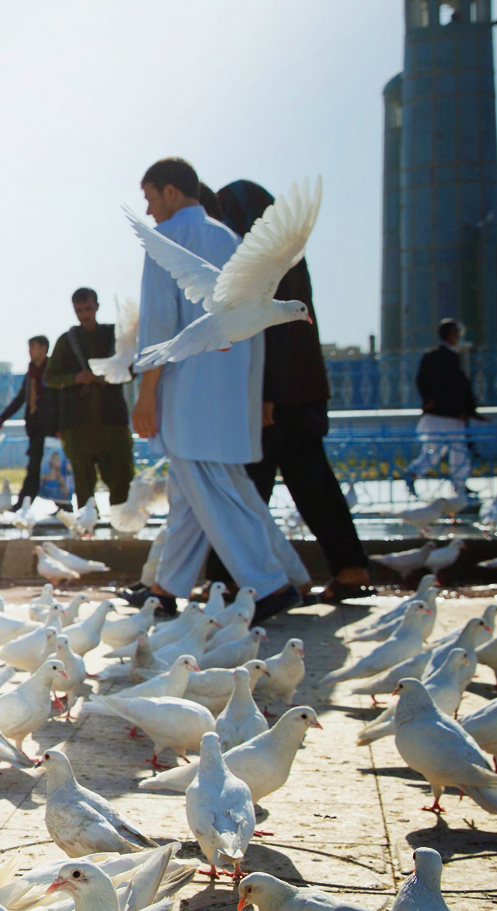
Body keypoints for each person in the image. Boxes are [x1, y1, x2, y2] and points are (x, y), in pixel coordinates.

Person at [130, 158, 297, 621]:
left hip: (188, 390)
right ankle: (166, 588)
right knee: (191, 493)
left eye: (150, 198)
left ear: (170, 191)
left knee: (213, 493)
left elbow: (159, 323)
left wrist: (146, 394)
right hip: (227, 391)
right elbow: (255, 328)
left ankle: (270, 585)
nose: (149, 211)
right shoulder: (230, 240)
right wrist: (248, 396)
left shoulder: (167, 239)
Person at [217, 179, 371, 601]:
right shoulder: (289, 257)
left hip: (278, 399)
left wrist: (266, 395)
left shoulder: (270, 264)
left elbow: (276, 332)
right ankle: (350, 570)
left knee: (246, 489)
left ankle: (233, 581)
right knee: (313, 486)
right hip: (302, 391)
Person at [45, 288, 133, 508]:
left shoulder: (114, 336)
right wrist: (76, 378)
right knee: (84, 490)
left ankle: (122, 525)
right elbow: (50, 378)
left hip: (112, 423)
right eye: (79, 310)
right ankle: (88, 526)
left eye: (88, 309)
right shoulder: (67, 341)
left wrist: (110, 375)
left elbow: (133, 369)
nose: (84, 315)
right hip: (78, 426)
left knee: (121, 483)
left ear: (97, 307)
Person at [404, 318, 479, 498]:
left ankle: (414, 473)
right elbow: (456, 386)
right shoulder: (451, 357)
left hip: (434, 413)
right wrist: (463, 410)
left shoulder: (430, 355)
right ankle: (459, 485)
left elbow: (420, 379)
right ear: (452, 335)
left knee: (434, 449)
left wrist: (428, 400)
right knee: (458, 449)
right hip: (450, 414)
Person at [0, 335, 60, 505]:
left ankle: (24, 502)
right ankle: (61, 505)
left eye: (33, 347)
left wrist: (60, 427)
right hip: (34, 425)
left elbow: (61, 401)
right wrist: (2, 418)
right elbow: (21, 398)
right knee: (40, 464)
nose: (30, 352)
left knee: (39, 465)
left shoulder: (53, 371)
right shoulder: (31, 374)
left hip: (50, 426)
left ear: (44, 348)